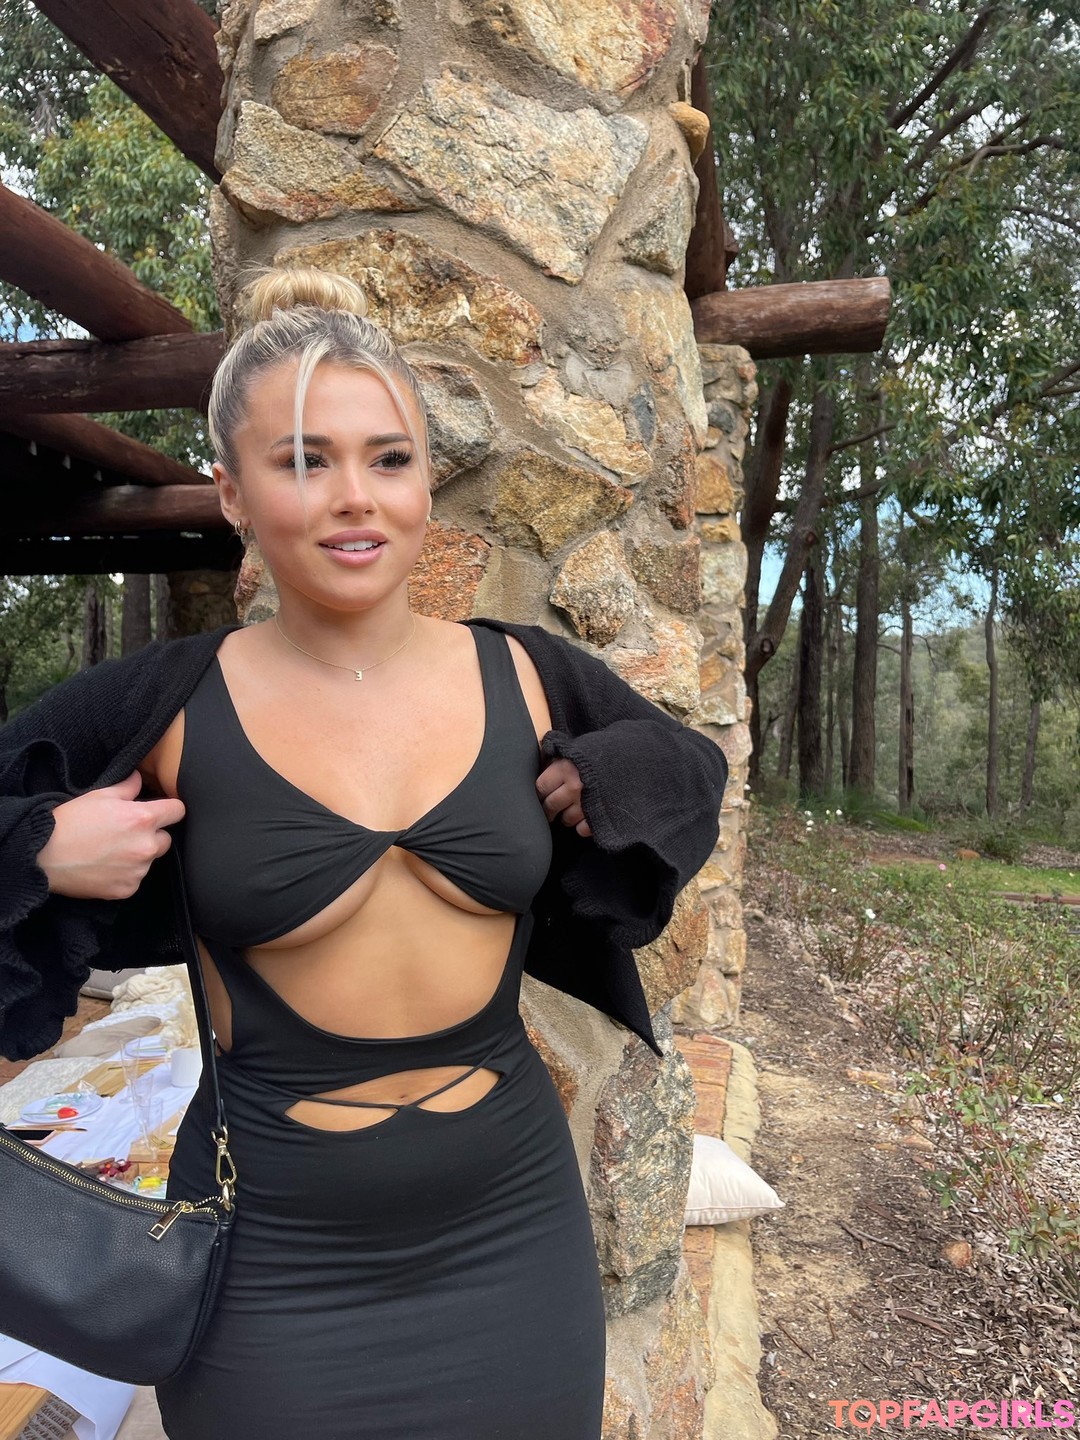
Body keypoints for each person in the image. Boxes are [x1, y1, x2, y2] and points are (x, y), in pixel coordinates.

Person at [0, 268, 729, 1440]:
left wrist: (617, 783)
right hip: (271, 1255)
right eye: (303, 461)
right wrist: (35, 846)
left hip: (514, 1231)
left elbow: (691, 769)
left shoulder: (524, 673)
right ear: (232, 492)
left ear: (426, 481)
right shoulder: (170, 704)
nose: (355, 498)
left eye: (389, 459)